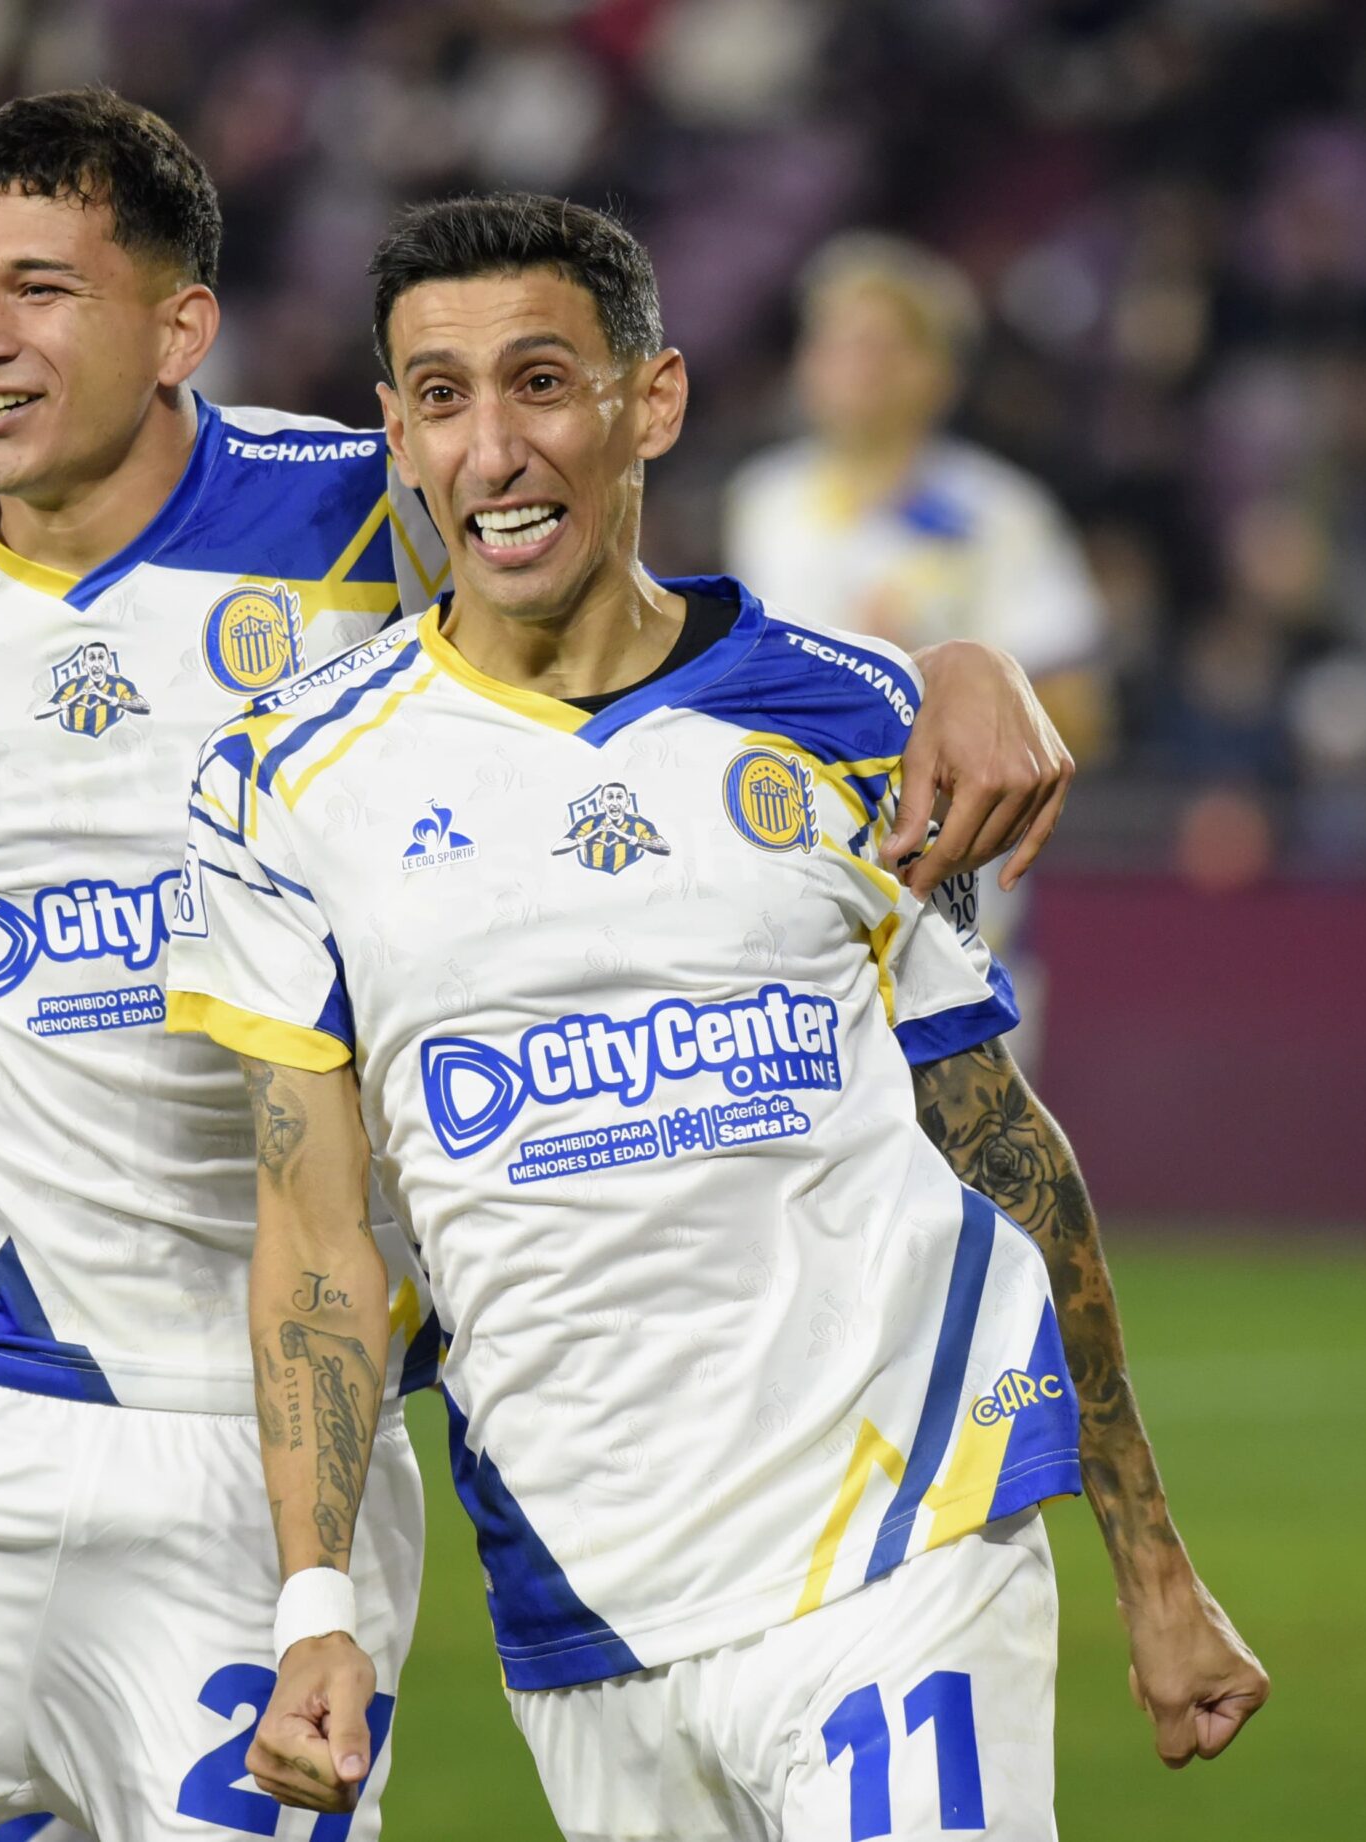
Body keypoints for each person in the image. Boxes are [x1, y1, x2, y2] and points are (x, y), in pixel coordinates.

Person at [0, 90, 1078, 1842]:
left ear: (180, 327)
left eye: (39, 287)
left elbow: (637, 620)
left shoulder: (357, 511)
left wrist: (954, 666)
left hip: (265, 1437)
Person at [166, 193, 1265, 1839]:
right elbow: (317, 1242)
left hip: (903, 1545)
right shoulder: (285, 786)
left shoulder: (852, 718)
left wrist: (1155, 1568)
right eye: (443, 397)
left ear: (652, 401)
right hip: (583, 1602)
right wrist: (314, 1603)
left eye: (543, 382)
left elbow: (1001, 1152)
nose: (493, 446)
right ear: (395, 434)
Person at [728, 233, 1113, 1060]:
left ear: (936, 371)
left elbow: (1079, 712)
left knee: (966, 1144)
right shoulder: (765, 504)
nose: (845, 365)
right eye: (829, 340)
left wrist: (931, 699)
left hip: (955, 933)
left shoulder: (1001, 517)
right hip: (791, 928)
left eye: (874, 344)